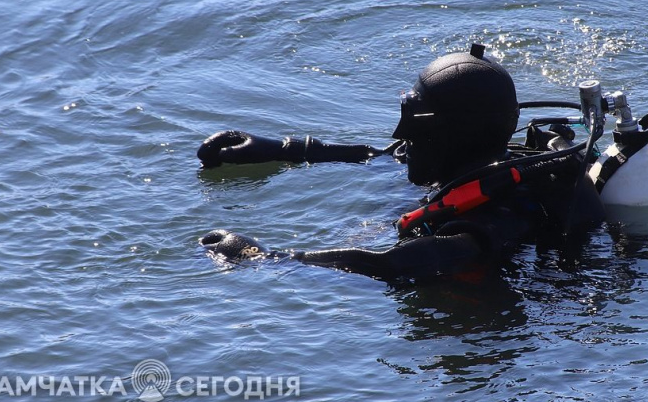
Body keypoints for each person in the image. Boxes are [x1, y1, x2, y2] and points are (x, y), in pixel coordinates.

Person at [197, 44, 605, 281]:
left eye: (414, 127)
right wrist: (285, 148)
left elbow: (395, 263)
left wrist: (266, 258)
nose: (401, 138)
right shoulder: (468, 162)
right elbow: (378, 156)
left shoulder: (501, 213)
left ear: (450, 138)